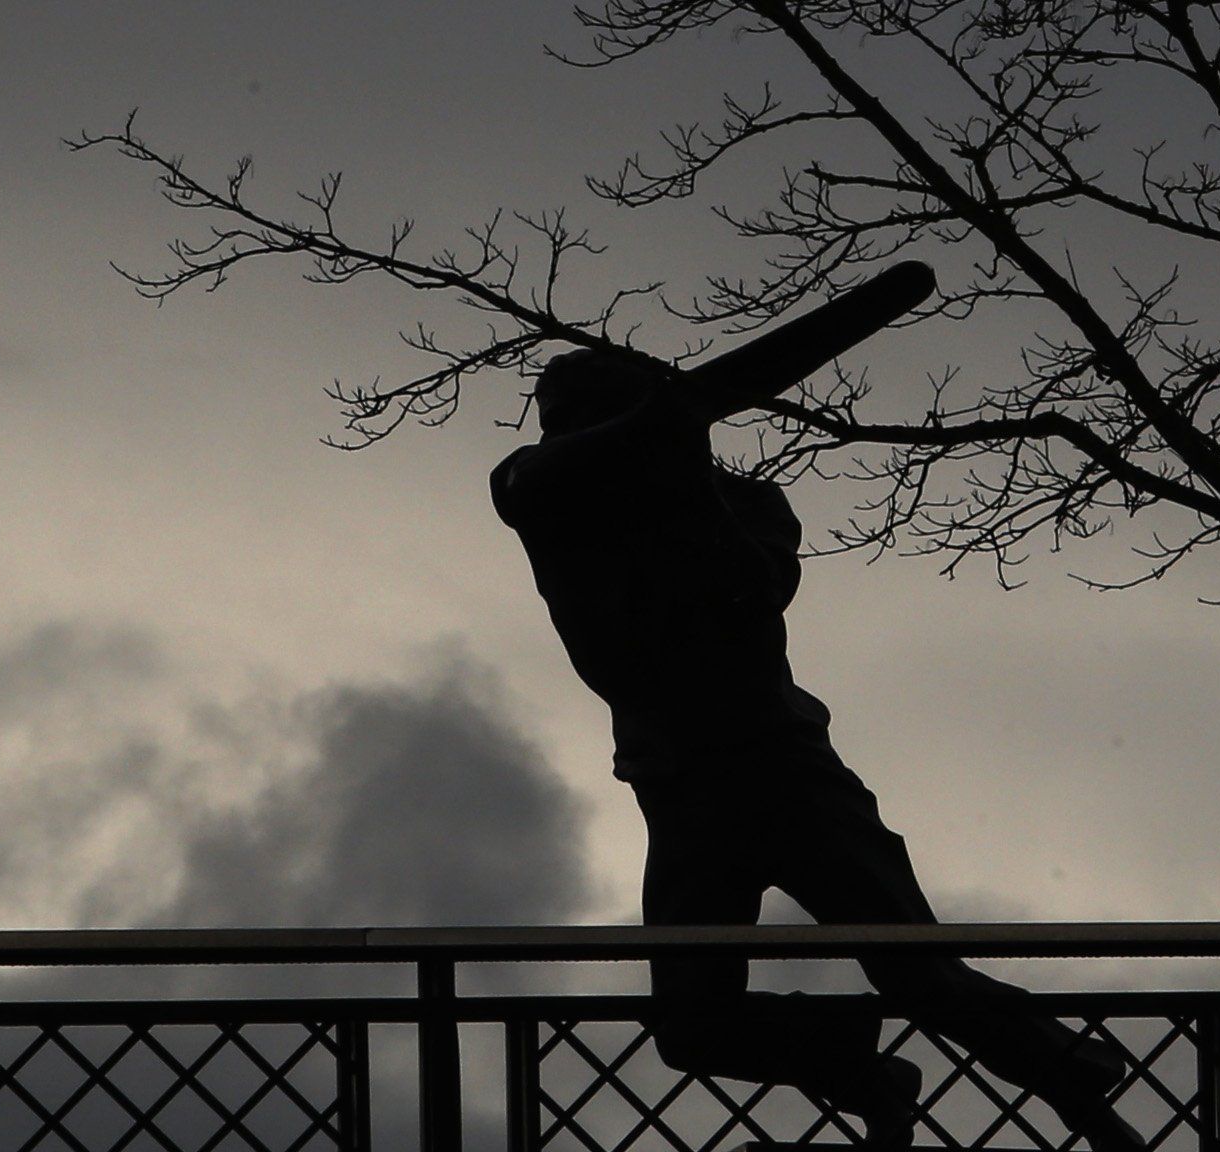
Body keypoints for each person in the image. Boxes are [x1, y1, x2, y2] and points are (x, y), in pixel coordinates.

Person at [488, 276, 1146, 1150]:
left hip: (785, 772)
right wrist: (668, 425)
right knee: (692, 1026)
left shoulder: (747, 505)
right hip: (678, 792)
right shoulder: (539, 489)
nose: (560, 428)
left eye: (577, 410)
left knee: (922, 979)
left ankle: (1075, 1081)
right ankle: (864, 1068)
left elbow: (753, 596)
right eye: (555, 414)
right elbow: (577, 463)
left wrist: (686, 473)